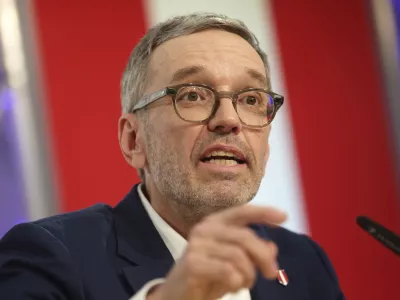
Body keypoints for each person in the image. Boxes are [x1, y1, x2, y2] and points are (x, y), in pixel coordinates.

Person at [0, 13, 345, 300]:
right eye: (193, 94)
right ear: (134, 140)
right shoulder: (50, 257)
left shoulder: (303, 262)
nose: (229, 120)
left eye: (252, 99)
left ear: (266, 146)